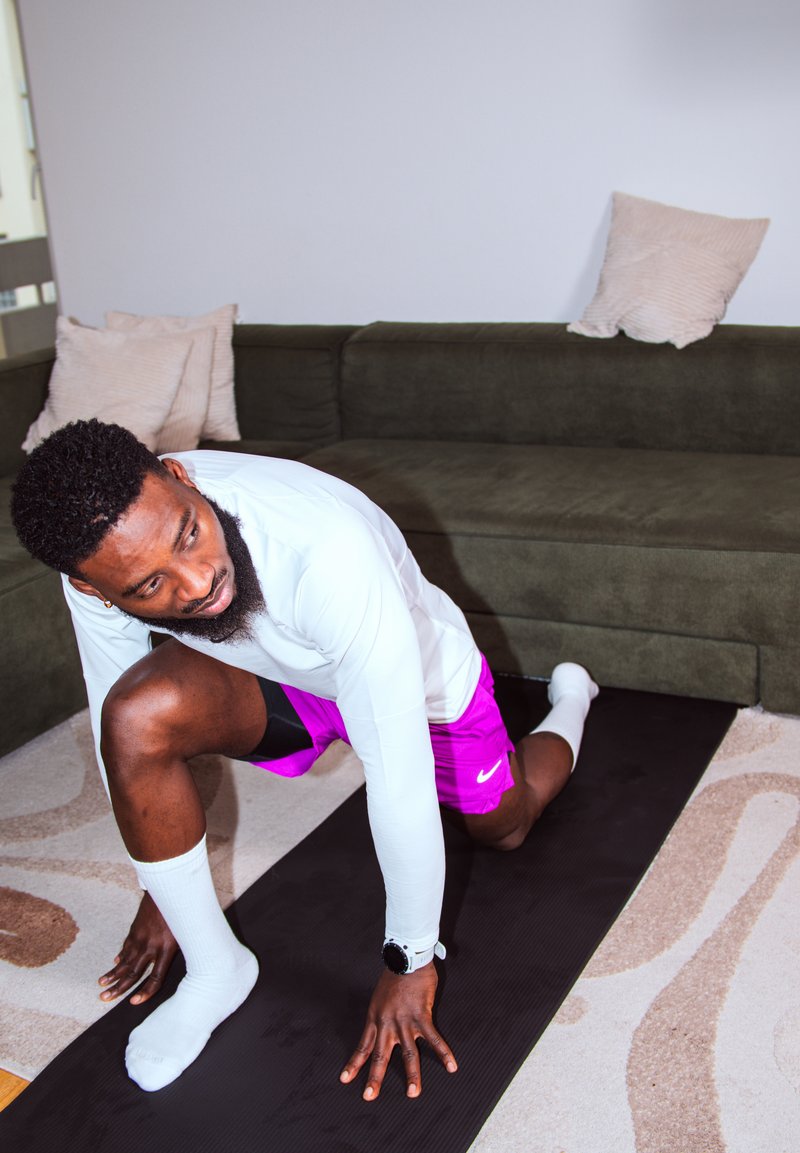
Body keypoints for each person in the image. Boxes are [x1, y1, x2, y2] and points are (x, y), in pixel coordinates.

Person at [11, 418, 597, 1099]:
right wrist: (164, 889)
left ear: (180, 477)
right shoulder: (96, 560)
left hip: (412, 680)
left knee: (507, 826)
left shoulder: (325, 548)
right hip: (275, 676)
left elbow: (397, 779)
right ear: (93, 587)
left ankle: (572, 702)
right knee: (133, 719)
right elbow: (119, 722)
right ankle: (217, 968)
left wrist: (410, 960)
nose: (197, 583)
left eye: (190, 534)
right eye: (149, 587)